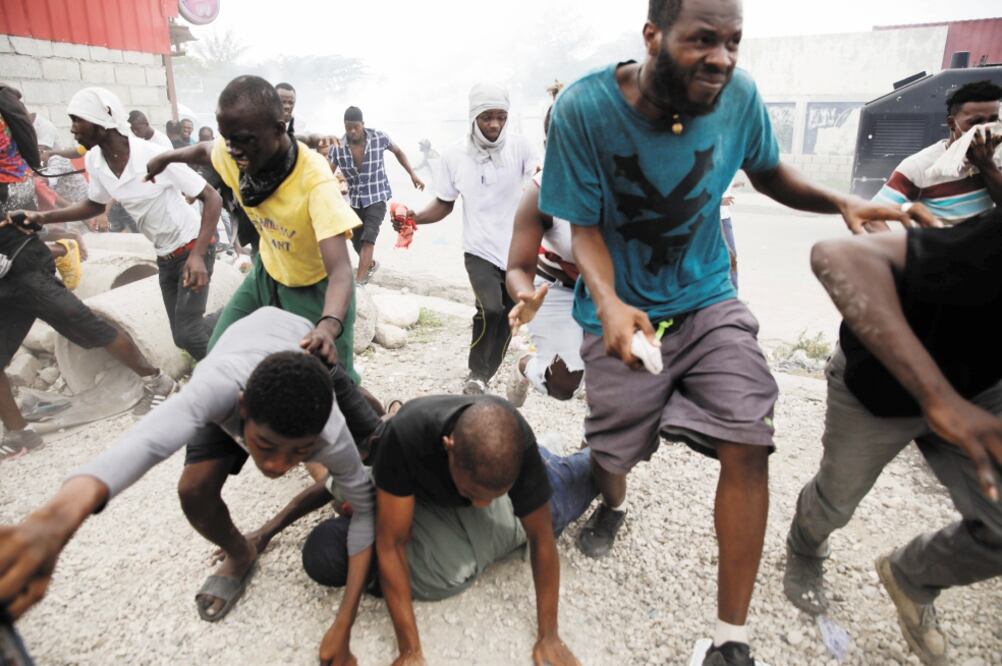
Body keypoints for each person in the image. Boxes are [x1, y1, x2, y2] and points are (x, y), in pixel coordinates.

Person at [537, 1, 935, 664]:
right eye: (703, 40)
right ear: (653, 37)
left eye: (734, 42)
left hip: (707, 299)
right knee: (615, 456)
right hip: (621, 316)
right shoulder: (584, 110)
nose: (722, 58)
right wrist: (606, 302)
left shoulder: (739, 96)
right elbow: (582, 231)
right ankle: (611, 502)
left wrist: (840, 201)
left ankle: (731, 641)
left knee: (750, 437)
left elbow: (768, 171)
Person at [0, 308, 375, 666]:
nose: (277, 466)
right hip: (241, 349)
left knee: (372, 440)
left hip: (306, 346)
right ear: (241, 409)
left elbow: (364, 516)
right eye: (265, 446)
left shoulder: (331, 433)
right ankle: (241, 552)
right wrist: (55, 519)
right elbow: (147, 442)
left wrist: (344, 622)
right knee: (193, 490)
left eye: (300, 451)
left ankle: (373, 407)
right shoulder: (217, 388)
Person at [783, 206, 1002, 665]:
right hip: (876, 385)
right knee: (835, 502)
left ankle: (912, 577)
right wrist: (938, 397)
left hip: (978, 390)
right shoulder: (980, 242)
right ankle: (804, 545)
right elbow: (837, 257)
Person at [145, 75, 362, 382]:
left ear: (278, 129)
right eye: (228, 138)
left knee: (334, 383)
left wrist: (327, 326)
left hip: (315, 287)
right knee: (220, 351)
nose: (234, 150)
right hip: (267, 273)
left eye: (245, 140)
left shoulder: (314, 180)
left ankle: (379, 421)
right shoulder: (233, 151)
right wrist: (166, 158)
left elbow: (341, 270)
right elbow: (207, 150)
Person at [367, 395, 580, 665]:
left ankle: (578, 462)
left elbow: (541, 536)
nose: (481, 505)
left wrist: (549, 635)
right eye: (471, 492)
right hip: (418, 481)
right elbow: (390, 544)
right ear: (449, 447)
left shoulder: (517, 440)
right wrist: (409, 650)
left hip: (532, 467)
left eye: (495, 495)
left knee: (574, 486)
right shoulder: (405, 437)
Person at [14, 87, 223, 362]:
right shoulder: (95, 161)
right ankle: (230, 318)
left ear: (104, 120)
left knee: (189, 335)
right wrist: (41, 217)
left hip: (194, 246)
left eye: (78, 120)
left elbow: (212, 197)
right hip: (165, 255)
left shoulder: (153, 155)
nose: (73, 129)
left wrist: (197, 256)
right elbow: (95, 205)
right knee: (180, 334)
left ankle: (233, 383)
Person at [394, 84, 539, 395]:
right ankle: (476, 373)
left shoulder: (521, 147)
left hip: (518, 250)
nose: (495, 124)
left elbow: (538, 187)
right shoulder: (453, 155)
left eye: (501, 117)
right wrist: (414, 218)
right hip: (479, 249)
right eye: (488, 117)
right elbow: (444, 203)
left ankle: (489, 371)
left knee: (509, 317)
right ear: (474, 117)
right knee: (491, 310)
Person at [505, 86, 585, 407]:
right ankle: (524, 367)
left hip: (613, 289)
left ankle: (592, 454)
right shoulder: (540, 195)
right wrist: (526, 297)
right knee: (564, 385)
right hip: (558, 290)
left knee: (622, 380)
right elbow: (517, 268)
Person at [872, 80, 1001, 224]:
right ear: (952, 124)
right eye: (976, 122)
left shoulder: (997, 157)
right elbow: (872, 216)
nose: (987, 128)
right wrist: (899, 246)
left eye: (994, 120)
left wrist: (987, 165)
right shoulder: (920, 166)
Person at [329, 105, 424, 284]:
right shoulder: (337, 147)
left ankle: (359, 283)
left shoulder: (379, 137)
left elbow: (398, 152)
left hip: (377, 197)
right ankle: (370, 264)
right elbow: (327, 174)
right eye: (348, 127)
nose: (352, 131)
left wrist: (412, 174)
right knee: (355, 241)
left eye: (355, 126)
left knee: (368, 238)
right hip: (355, 201)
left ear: (363, 124)